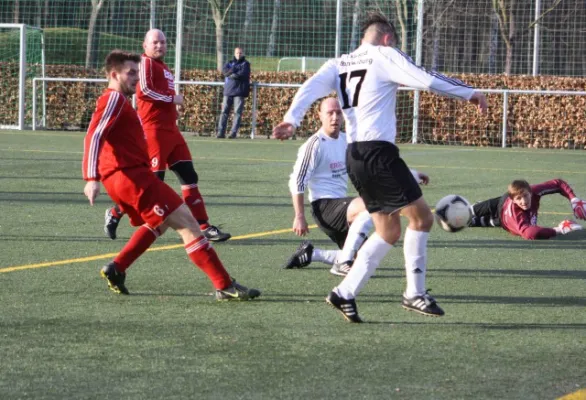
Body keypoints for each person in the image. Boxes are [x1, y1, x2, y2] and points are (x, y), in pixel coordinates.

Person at [273, 12, 488, 323]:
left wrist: (291, 119)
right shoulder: (385, 54)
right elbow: (424, 77)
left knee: (388, 231)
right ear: (388, 38)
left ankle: (344, 293)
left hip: (355, 157)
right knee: (423, 218)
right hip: (379, 154)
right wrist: (470, 92)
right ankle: (414, 293)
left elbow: (309, 87)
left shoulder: (339, 63)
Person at [83, 50, 260, 300]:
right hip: (130, 178)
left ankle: (117, 268)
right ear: (114, 74)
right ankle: (224, 284)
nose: (136, 77)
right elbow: (93, 135)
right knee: (188, 222)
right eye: (131, 72)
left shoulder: (120, 100)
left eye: (137, 71)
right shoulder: (112, 99)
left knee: (161, 222)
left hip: (130, 177)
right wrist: (91, 178)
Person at [104, 29, 231, 243]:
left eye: (162, 42)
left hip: (171, 130)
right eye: (155, 42)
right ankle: (116, 212)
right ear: (145, 45)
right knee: (152, 182)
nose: (159, 46)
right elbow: (144, 91)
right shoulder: (144, 64)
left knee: (189, 176)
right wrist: (172, 100)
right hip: (153, 131)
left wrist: (173, 108)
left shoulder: (163, 67)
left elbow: (161, 94)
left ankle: (203, 226)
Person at [284, 97, 429, 277]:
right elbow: (297, 180)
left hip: (344, 209)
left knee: (365, 256)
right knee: (373, 202)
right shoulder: (314, 144)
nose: (334, 117)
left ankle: (313, 254)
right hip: (325, 208)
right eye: (330, 113)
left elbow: (377, 164)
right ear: (319, 115)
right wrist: (299, 216)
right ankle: (342, 262)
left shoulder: (348, 141)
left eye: (338, 113)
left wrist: (411, 174)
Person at [469, 179, 585, 239]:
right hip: (501, 204)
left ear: (530, 192)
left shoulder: (534, 190)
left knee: (474, 222)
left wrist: (573, 199)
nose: (523, 201)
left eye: (525, 196)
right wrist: (558, 230)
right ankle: (473, 210)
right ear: (513, 200)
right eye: (519, 198)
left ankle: (482, 218)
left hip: (503, 222)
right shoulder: (517, 215)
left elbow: (558, 183)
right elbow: (529, 233)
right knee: (468, 212)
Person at [217, 47, 251, 139]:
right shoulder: (229, 62)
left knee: (237, 113)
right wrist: (233, 71)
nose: (238, 55)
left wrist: (231, 73)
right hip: (228, 91)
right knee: (224, 112)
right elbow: (224, 72)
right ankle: (221, 133)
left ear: (242, 53)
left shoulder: (246, 64)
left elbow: (242, 74)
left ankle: (233, 133)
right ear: (234, 53)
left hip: (239, 92)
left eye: (240, 53)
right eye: (237, 53)